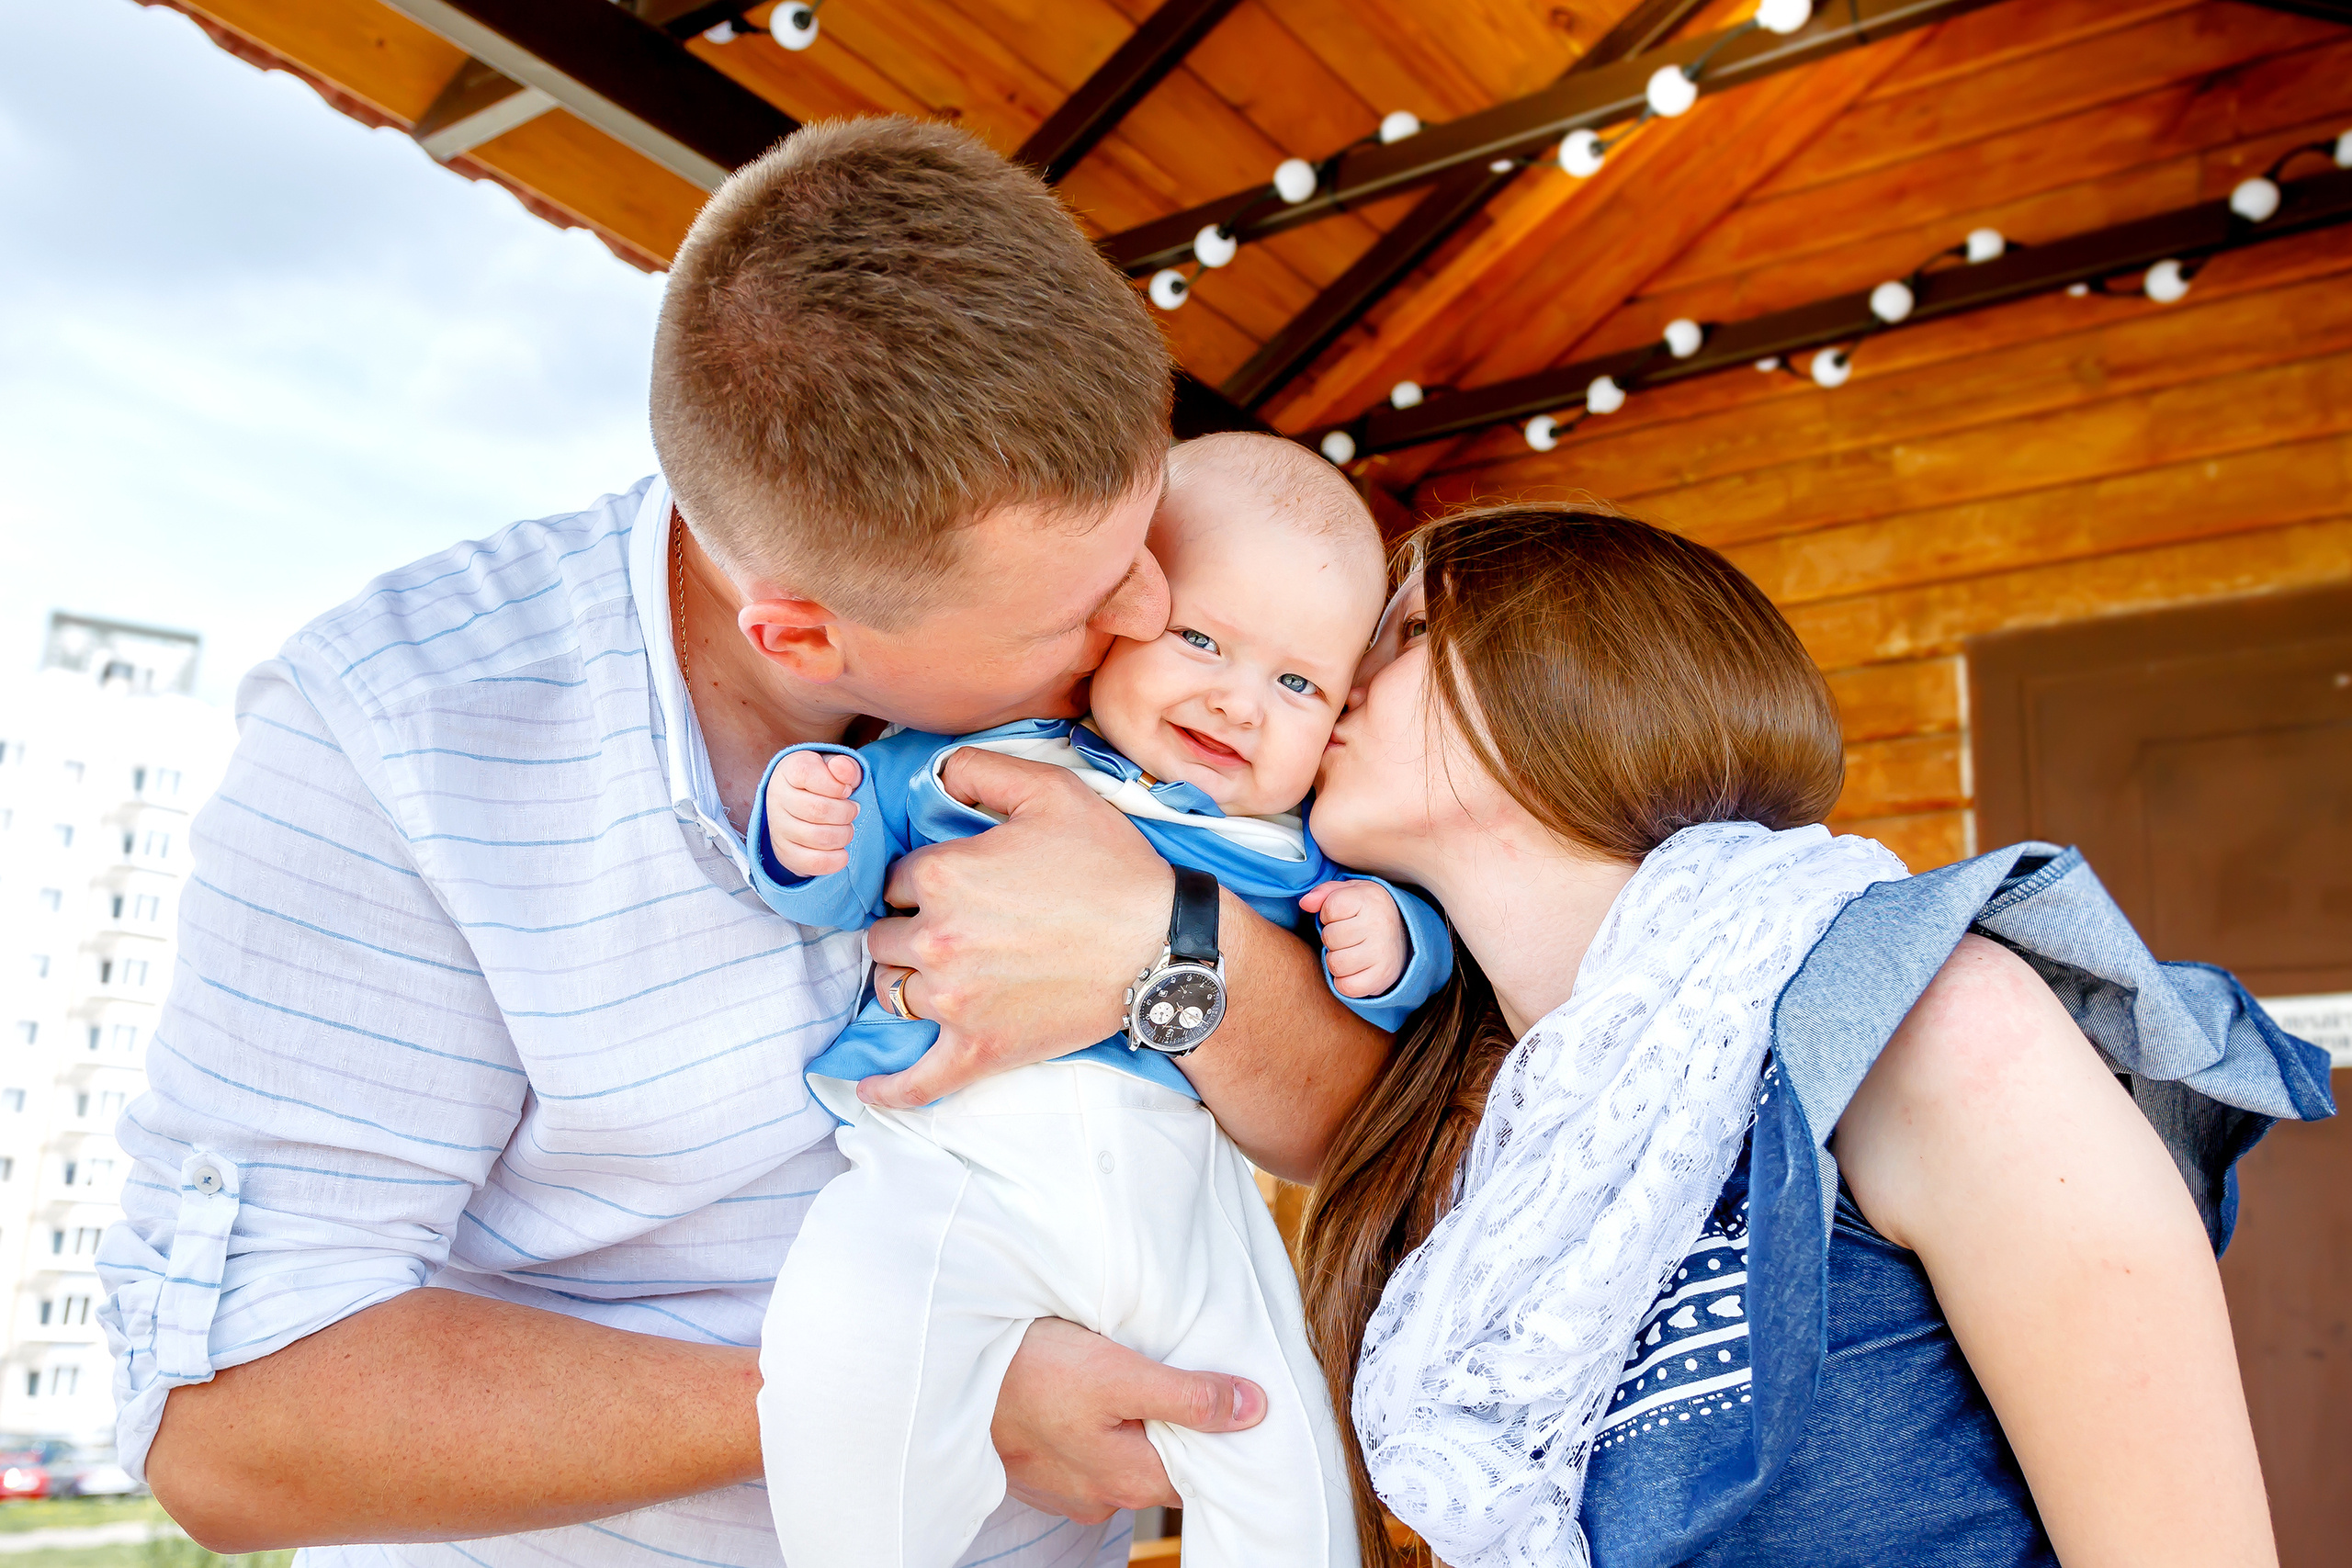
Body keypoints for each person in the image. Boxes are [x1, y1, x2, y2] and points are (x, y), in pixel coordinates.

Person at [97, 118, 1390, 1568]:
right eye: (1076, 609)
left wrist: (1172, 946)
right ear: (801, 631)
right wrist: (917, 1397)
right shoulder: (392, 742)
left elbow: (1372, 1113)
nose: (1155, 616)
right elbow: (231, 1429)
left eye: (1144, 539)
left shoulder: (1171, 698)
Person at [1295, 504, 2331, 1568]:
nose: (1340, 674)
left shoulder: (1932, 1022)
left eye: (1410, 629)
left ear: (1597, 668)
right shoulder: (1493, 1148)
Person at [751, 432, 1447, 1568]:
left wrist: (1395, 941)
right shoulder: (975, 759)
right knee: (851, 1364)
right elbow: (848, 873)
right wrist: (807, 819)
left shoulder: (1292, 847)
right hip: (953, 1172)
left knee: (1287, 1458)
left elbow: (1370, 1010)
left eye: (1295, 682)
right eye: (1202, 641)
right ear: (1116, 617)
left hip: (1186, 1202)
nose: (1237, 703)